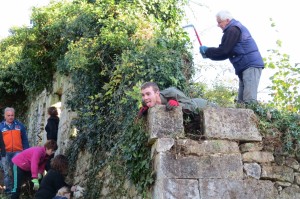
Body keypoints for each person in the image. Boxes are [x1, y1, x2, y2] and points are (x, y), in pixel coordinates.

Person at [199, 10, 264, 104]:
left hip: (250, 65)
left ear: (227, 20)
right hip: (245, 67)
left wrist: (207, 51)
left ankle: (254, 117)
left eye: (219, 22)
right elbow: (225, 53)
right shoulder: (233, 29)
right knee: (241, 102)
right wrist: (208, 54)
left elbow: (224, 50)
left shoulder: (233, 29)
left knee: (249, 100)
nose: (218, 25)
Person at [138, 82, 216, 118]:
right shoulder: (146, 101)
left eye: (148, 94)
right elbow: (145, 104)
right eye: (143, 95)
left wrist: (178, 104)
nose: (145, 98)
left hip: (202, 105)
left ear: (157, 93)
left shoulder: (172, 92)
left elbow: (192, 105)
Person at [0, 107, 30, 193]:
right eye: (8, 115)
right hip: (5, 153)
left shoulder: (20, 125)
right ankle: (8, 191)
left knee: (17, 172)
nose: (10, 117)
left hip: (18, 152)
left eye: (12, 115)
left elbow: (24, 139)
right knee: (7, 172)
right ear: (5, 116)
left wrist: (26, 152)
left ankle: (16, 189)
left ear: (14, 115)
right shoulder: (0, 127)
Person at [45, 106, 60, 171]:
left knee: (48, 159)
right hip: (55, 141)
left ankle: (50, 172)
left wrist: (49, 142)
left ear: (49, 113)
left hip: (51, 142)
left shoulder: (51, 120)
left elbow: (52, 131)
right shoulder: (57, 119)